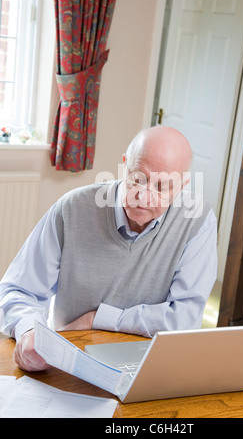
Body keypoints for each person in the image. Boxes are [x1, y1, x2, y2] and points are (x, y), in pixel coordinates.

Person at [0, 125, 217, 372]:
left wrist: (98, 319)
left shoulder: (197, 220)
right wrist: (28, 329)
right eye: (138, 179)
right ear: (125, 165)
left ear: (182, 185)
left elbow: (184, 319)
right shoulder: (72, 209)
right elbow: (17, 290)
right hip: (71, 356)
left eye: (161, 187)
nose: (144, 197)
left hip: (149, 365)